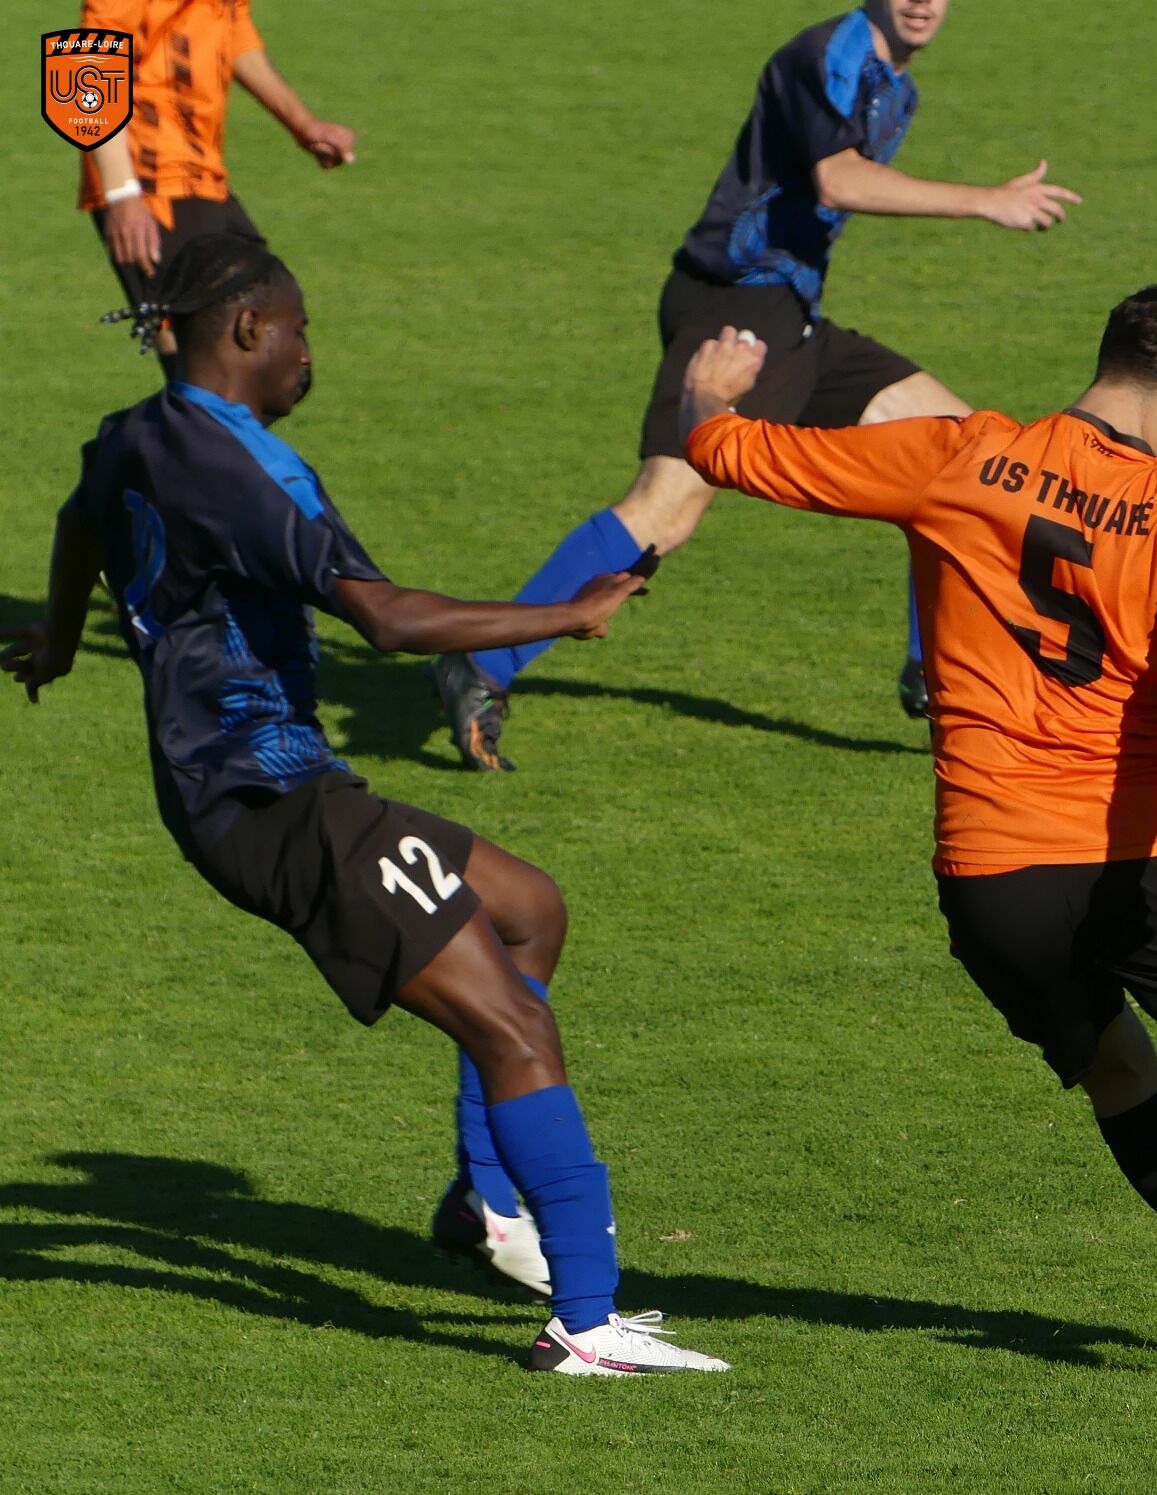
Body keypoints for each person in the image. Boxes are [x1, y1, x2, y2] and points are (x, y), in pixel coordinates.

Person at [675, 280, 1157, 1367]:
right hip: (1154, 865)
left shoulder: (956, 454)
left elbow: (734, 455)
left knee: (1121, 1082)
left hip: (996, 878)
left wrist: (707, 395)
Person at [2, 234, 724, 1377]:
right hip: (271, 798)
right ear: (248, 330)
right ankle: (586, 1325)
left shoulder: (135, 433)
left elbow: (79, 517)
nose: (307, 352)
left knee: (529, 910)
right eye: (300, 330)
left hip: (246, 788)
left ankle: (484, 1205)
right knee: (515, 1028)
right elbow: (386, 619)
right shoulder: (249, 472)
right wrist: (565, 615)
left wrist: (55, 635)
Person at [429, 0, 1082, 769]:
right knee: (665, 507)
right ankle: (481, 663)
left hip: (790, 314)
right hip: (737, 308)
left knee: (966, 458)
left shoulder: (895, 84)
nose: (922, 2)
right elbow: (836, 180)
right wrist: (987, 201)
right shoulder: (824, 56)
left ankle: (936, 676)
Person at [81, 0, 356, 377]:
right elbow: (85, 57)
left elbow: (232, 26)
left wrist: (301, 122)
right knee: (211, 361)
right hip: (150, 178)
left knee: (260, 335)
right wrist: (122, 193)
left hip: (202, 174)